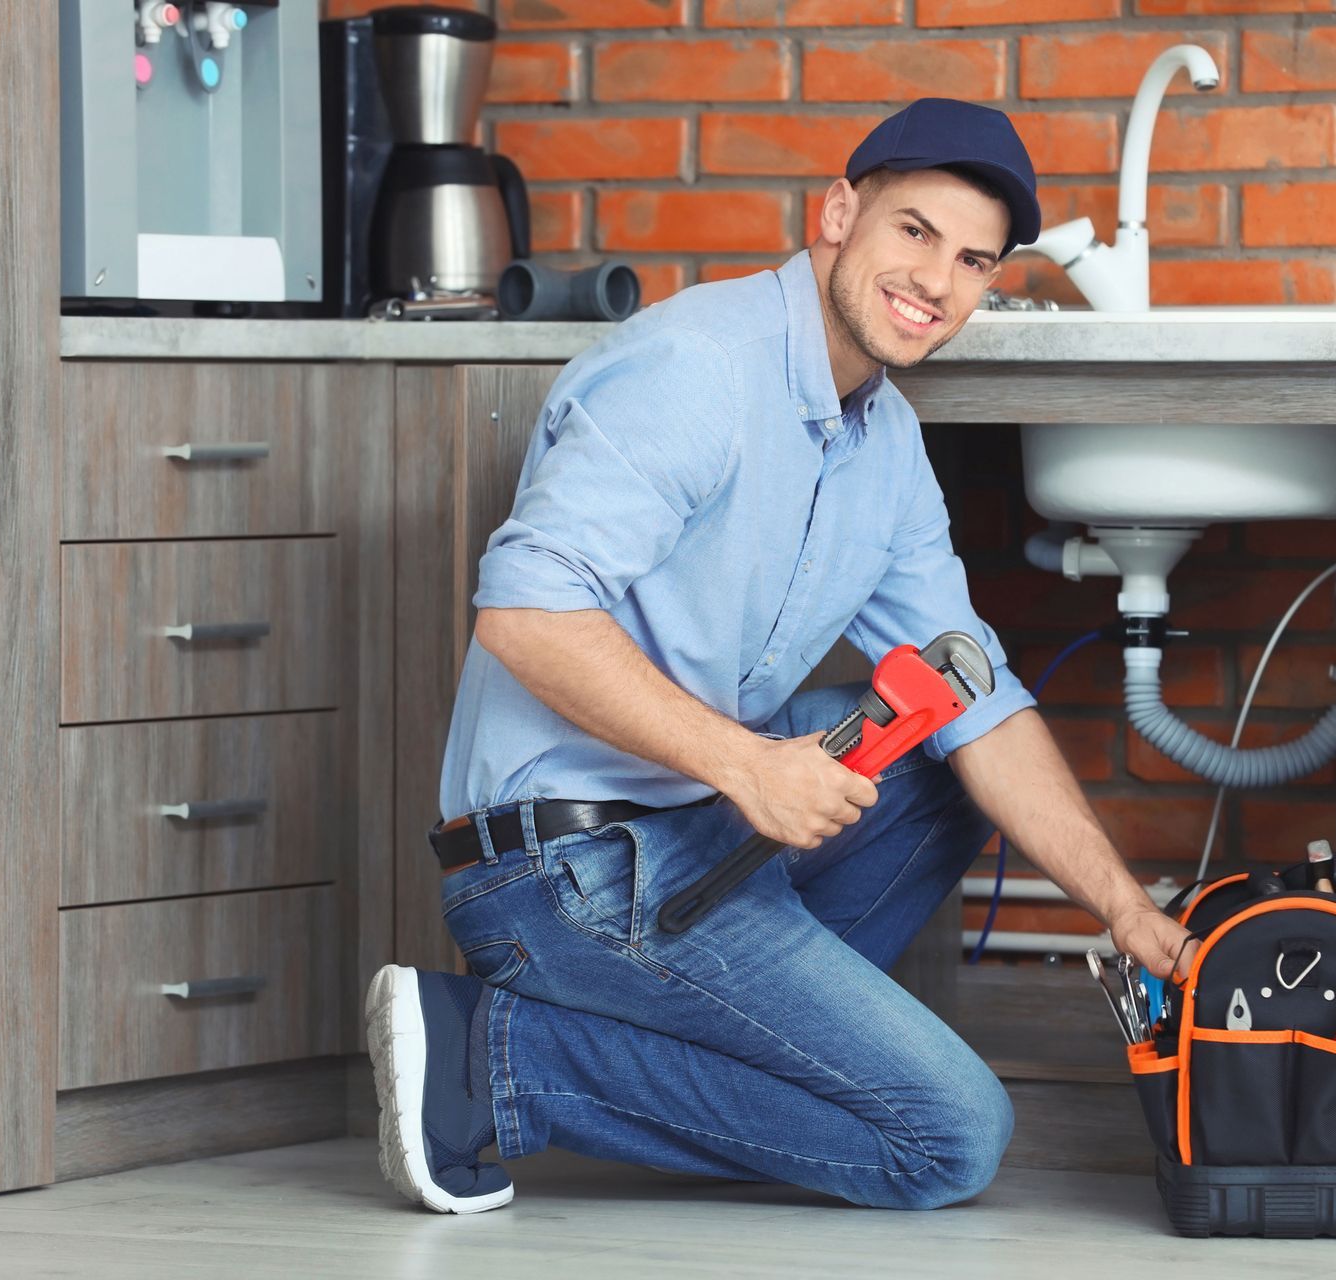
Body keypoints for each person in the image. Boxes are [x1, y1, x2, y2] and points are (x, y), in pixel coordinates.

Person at [365, 98, 1195, 1216]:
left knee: (939, 743)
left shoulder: (884, 441)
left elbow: (976, 695)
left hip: (691, 833)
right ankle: (499, 1057)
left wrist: (1121, 905)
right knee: (948, 1134)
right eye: (913, 231)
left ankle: (750, 1022)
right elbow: (526, 613)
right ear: (838, 214)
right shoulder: (697, 367)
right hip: (559, 871)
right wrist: (749, 765)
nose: (936, 281)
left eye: (974, 261)